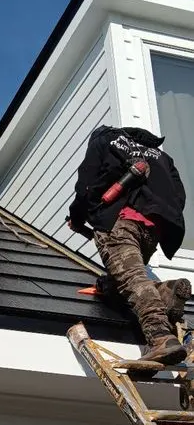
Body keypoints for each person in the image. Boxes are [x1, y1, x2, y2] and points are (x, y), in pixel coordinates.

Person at [68, 124, 191, 365]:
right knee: (121, 284)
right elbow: (179, 196)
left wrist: (77, 215)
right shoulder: (162, 157)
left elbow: (87, 182)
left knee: (131, 279)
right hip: (154, 228)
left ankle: (160, 337)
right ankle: (165, 291)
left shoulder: (106, 141)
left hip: (120, 220)